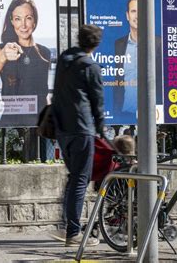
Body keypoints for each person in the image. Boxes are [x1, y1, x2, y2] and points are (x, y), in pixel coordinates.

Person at [50, 24, 105, 247]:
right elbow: (97, 103)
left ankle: (66, 225)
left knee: (74, 178)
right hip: (82, 129)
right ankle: (73, 232)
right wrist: (102, 130)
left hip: (63, 129)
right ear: (96, 44)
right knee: (80, 179)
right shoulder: (90, 66)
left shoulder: (65, 59)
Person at [0, 0, 51, 127]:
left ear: (34, 21)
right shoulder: (2, 48)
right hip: (12, 121)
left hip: (40, 122)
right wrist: (3, 56)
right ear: (11, 21)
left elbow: (44, 93)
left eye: (28, 18)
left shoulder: (45, 53)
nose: (23, 25)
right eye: (17, 19)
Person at [113, 0, 162, 121]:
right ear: (127, 15)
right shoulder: (118, 44)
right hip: (124, 114)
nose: (137, 15)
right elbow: (117, 79)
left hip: (152, 115)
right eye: (133, 11)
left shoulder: (158, 44)